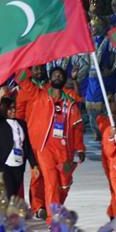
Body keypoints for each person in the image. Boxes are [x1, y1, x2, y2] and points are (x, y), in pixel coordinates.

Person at [17, 67, 84, 217]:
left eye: (61, 75)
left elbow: (77, 124)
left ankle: (52, 208)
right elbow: (21, 79)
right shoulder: (38, 94)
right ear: (51, 77)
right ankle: (44, 211)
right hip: (41, 146)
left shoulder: (69, 100)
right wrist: (25, 60)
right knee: (47, 180)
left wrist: (80, 148)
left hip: (63, 149)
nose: (58, 77)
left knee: (64, 183)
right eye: (55, 74)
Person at [0, 96, 36, 200]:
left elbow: (27, 146)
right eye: (10, 108)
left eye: (14, 107)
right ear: (4, 109)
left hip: (18, 165)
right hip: (3, 165)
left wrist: (34, 164)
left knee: (13, 194)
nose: (13, 110)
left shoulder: (22, 123)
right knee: (8, 194)